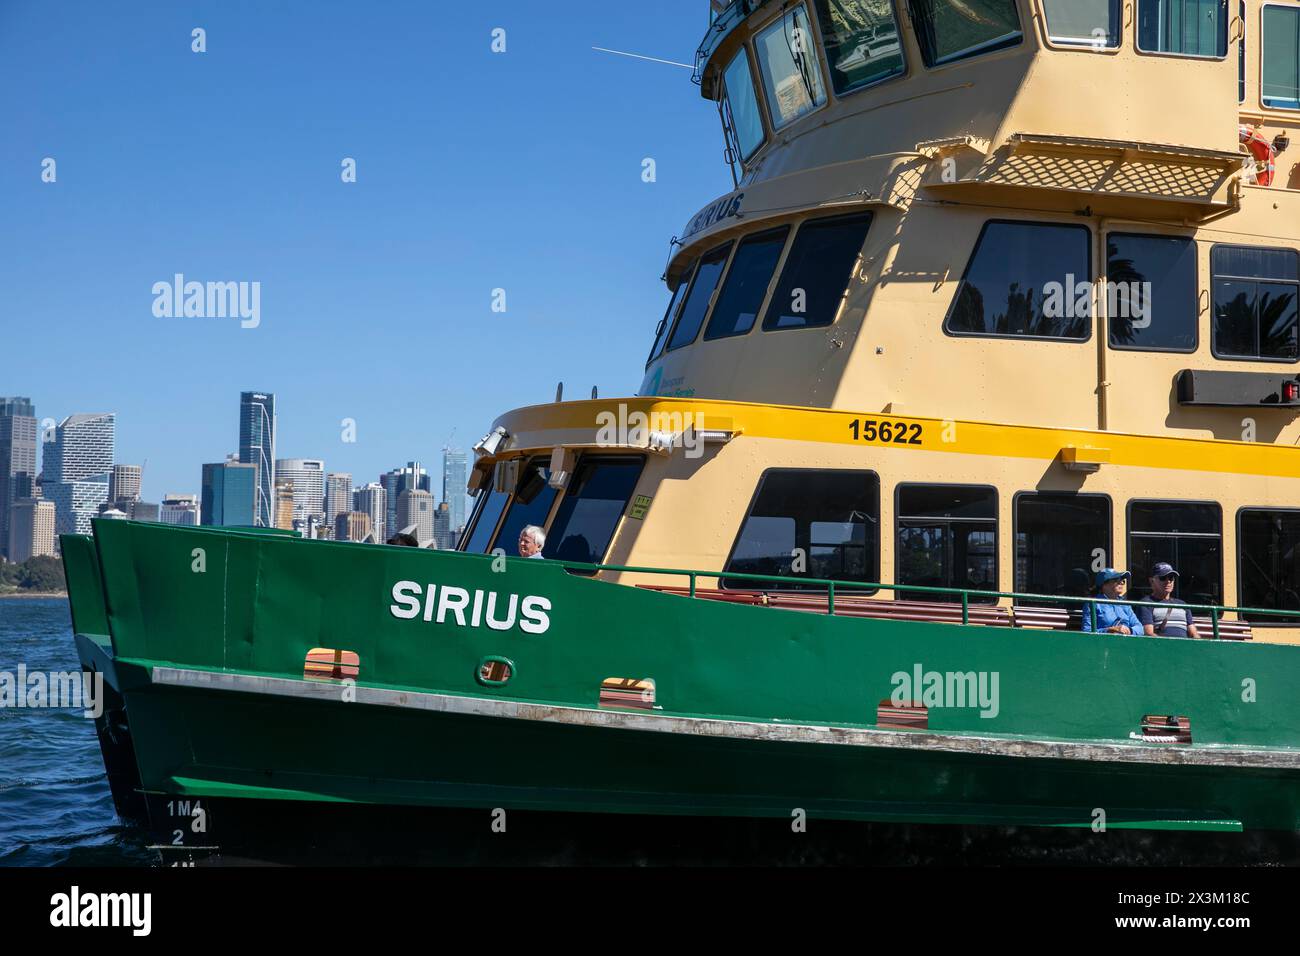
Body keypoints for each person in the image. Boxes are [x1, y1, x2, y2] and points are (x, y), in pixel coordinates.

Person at [1136, 562, 1200, 639]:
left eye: (1171, 578)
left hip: (1185, 647)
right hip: (1162, 647)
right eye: (1163, 578)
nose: (1168, 581)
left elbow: (1194, 633)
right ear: (1152, 581)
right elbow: (1149, 634)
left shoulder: (1182, 604)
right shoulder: (1146, 603)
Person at [1081, 568, 1143, 634]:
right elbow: (1087, 631)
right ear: (1104, 584)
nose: (1121, 582)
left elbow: (1140, 628)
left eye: (1122, 580)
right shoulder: (1092, 604)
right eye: (1116, 580)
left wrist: (1129, 630)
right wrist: (1109, 630)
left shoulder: (1125, 604)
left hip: (1126, 642)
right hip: (1104, 642)